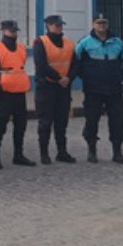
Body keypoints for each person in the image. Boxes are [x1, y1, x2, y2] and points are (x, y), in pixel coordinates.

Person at [75, 14, 123, 165]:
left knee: (117, 121)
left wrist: (115, 76)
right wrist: (87, 77)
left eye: (104, 23)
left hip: (114, 89)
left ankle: (117, 152)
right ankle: (92, 151)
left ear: (108, 24)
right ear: (93, 25)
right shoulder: (85, 42)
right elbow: (77, 63)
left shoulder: (117, 42)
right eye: (98, 23)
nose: (101, 25)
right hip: (93, 89)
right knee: (92, 120)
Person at [0, 19, 35, 169]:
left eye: (15, 31)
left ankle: (18, 155)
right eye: (10, 30)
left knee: (20, 125)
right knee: (0, 126)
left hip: (19, 93)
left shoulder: (21, 48)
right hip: (4, 94)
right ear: (3, 31)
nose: (13, 33)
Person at [33, 14, 78, 165]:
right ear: (48, 26)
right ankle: (44, 153)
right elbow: (41, 65)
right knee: (45, 122)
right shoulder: (41, 42)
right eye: (56, 25)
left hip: (63, 88)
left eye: (60, 25)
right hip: (46, 87)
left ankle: (62, 152)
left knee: (61, 122)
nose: (59, 27)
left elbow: (75, 64)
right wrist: (59, 78)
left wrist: (69, 78)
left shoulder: (69, 43)